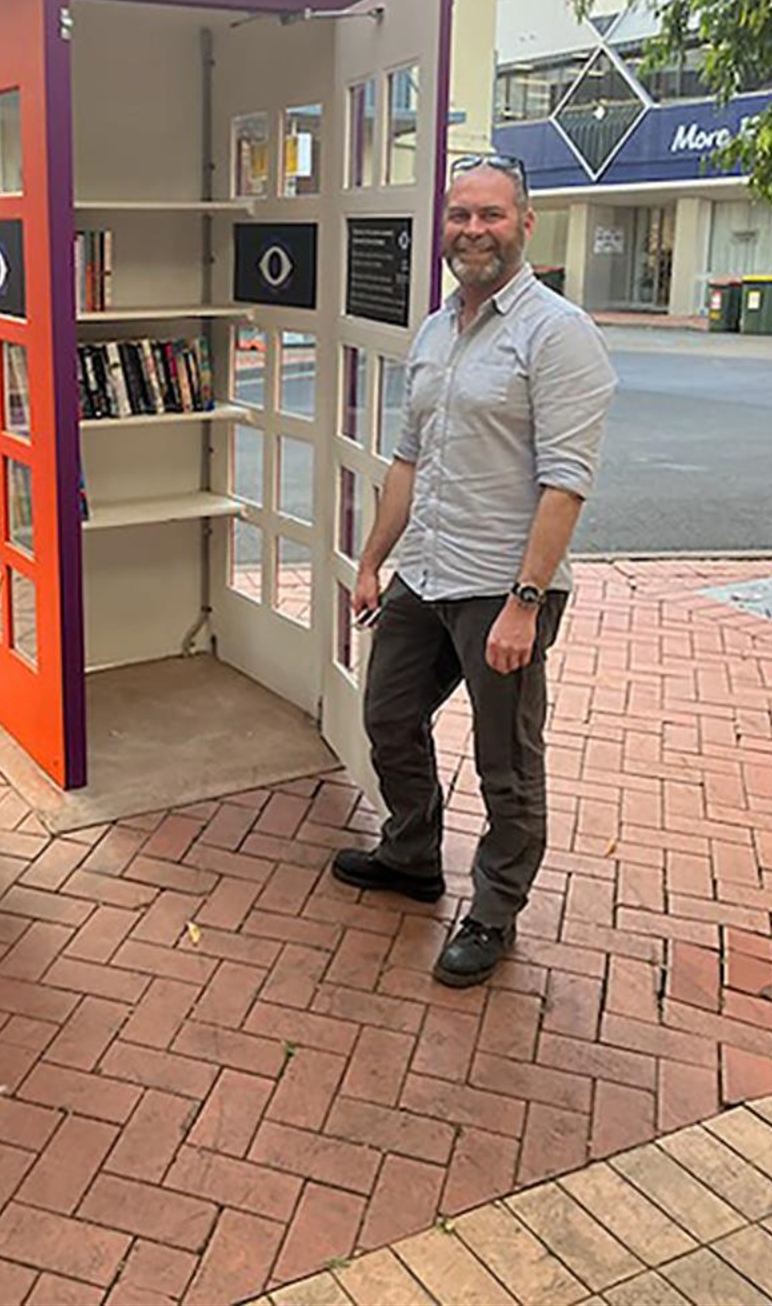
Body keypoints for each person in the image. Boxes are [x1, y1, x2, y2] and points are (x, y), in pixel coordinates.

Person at [332, 154, 616, 987]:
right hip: (426, 568)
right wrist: (373, 560)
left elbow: (567, 480)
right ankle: (413, 854)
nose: (472, 231)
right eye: (459, 216)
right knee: (387, 717)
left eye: (490, 215)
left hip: (503, 583)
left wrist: (526, 603)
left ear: (526, 224)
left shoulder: (557, 332)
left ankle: (494, 913)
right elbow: (408, 460)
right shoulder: (435, 328)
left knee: (507, 760)